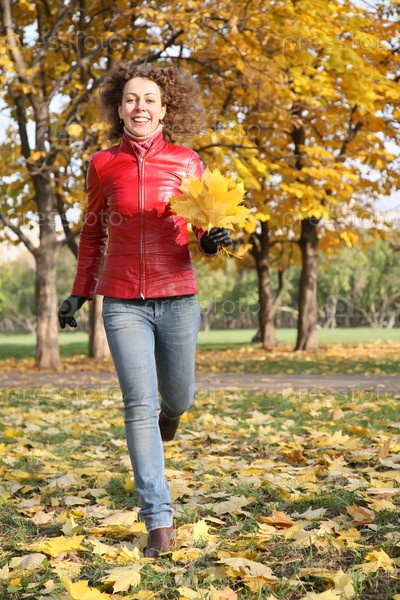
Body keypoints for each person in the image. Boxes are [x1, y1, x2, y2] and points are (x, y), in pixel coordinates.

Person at [58, 62, 232, 558]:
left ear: (163, 108)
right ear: (119, 109)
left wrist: (212, 241)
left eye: (150, 99)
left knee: (179, 396)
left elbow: (203, 225)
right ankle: (158, 519)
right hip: (121, 302)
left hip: (177, 296)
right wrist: (80, 292)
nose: (141, 107)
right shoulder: (101, 164)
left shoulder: (186, 161)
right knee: (138, 404)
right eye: (132, 99)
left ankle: (171, 415)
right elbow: (93, 232)